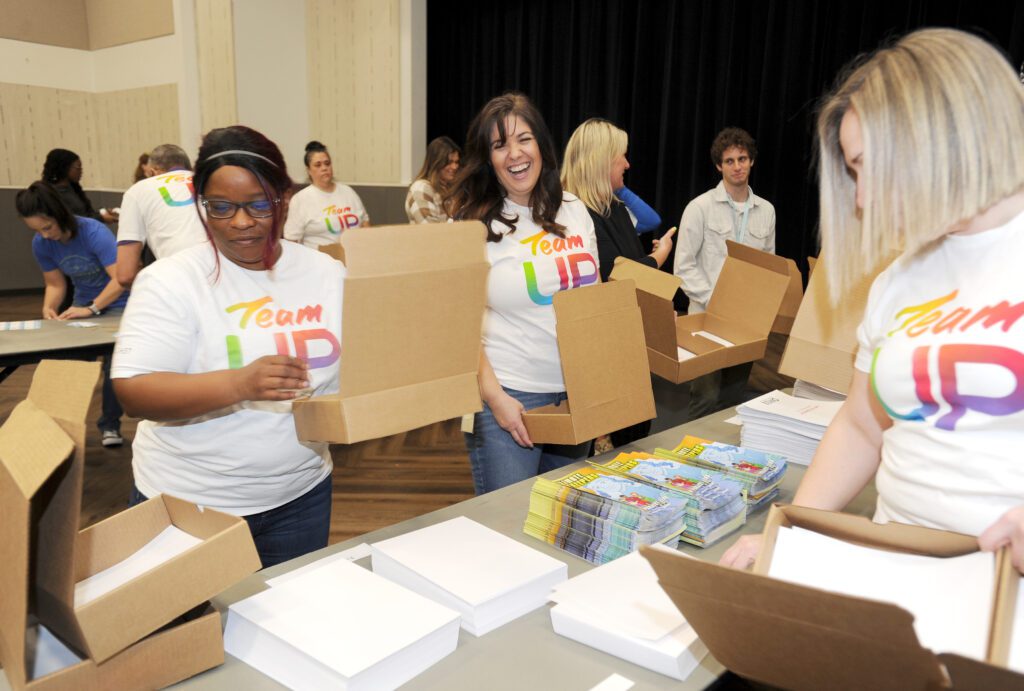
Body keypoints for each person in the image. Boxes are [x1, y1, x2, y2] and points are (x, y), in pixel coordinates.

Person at [721, 28, 1024, 572]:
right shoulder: (898, 280)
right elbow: (862, 423)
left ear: (938, 137)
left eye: (868, 166)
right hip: (898, 573)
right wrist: (788, 528)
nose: (861, 201)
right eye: (852, 174)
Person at [111, 125, 344, 569]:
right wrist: (240, 384)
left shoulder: (325, 272)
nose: (241, 222)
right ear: (200, 206)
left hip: (301, 494)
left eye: (259, 204)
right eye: (220, 207)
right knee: (189, 636)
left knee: (286, 625)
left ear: (285, 198)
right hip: (191, 503)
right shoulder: (171, 279)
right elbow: (135, 391)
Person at [448, 92, 600, 494]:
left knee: (560, 524)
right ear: (488, 158)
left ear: (541, 146)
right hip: (510, 398)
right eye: (500, 145)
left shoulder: (575, 209)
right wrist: (495, 398)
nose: (515, 154)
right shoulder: (469, 225)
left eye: (524, 139)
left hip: (574, 394)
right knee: (507, 530)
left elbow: (594, 302)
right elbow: (455, 326)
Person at [561, 118, 677, 449]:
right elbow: (615, 276)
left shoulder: (614, 208)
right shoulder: (573, 216)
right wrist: (657, 259)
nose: (627, 164)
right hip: (601, 351)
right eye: (620, 157)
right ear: (600, 160)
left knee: (636, 429)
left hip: (627, 344)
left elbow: (625, 269)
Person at [673, 127, 776, 420]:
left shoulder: (766, 211)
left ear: (752, 161)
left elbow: (767, 266)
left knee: (733, 401)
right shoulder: (700, 208)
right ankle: (692, 458)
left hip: (745, 322)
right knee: (704, 398)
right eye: (729, 161)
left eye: (742, 159)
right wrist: (716, 301)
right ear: (719, 165)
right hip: (706, 318)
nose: (737, 166)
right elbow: (683, 266)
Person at [15, 181, 128, 447]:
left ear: (60, 215)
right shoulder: (41, 244)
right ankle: (59, 426)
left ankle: (110, 425)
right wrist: (49, 307)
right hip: (82, 307)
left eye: (47, 227)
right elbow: (55, 284)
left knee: (115, 364)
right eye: (37, 231)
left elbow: (120, 279)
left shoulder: (94, 232)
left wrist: (93, 308)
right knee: (67, 363)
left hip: (120, 305)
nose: (44, 235)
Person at [115, 144, 208, 286]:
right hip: (228, 269)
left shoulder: (138, 190)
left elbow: (125, 275)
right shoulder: (208, 180)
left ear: (152, 172)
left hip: (181, 277)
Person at [283, 140, 369, 247]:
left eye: (327, 163)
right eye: (318, 165)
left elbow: (365, 223)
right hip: (319, 260)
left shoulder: (348, 192)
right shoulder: (301, 199)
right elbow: (292, 241)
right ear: (309, 170)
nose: (324, 168)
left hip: (354, 257)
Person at [41, 148, 118, 224]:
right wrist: (102, 218)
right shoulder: (50, 194)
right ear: (64, 168)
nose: (81, 171)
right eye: (78, 168)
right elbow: (73, 221)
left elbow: (85, 214)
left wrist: (103, 213)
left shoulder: (73, 187)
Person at [405, 136, 461, 223]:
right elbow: (430, 230)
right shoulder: (421, 188)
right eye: (449, 162)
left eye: (456, 162)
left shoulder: (451, 188)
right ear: (436, 162)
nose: (455, 167)